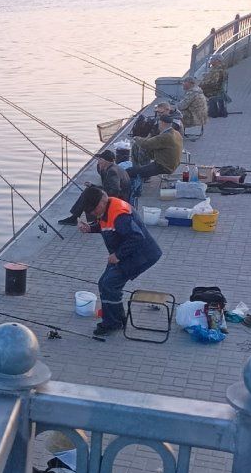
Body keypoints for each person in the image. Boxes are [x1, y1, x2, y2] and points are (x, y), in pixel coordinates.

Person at [78, 186, 162, 339]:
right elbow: (108, 226)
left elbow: (136, 237)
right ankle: (117, 318)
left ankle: (112, 323)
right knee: (105, 283)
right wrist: (90, 228)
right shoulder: (106, 209)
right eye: (90, 211)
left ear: (102, 201)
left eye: (93, 209)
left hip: (140, 255)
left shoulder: (119, 214)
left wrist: (118, 255)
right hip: (127, 254)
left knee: (110, 284)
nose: (92, 213)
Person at [59, 150, 131, 224]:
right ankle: (77, 217)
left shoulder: (112, 172)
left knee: (89, 193)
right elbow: (109, 188)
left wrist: (98, 192)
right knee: (89, 190)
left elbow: (114, 191)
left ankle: (79, 218)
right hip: (121, 196)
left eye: (100, 160)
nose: (98, 162)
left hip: (120, 199)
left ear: (107, 161)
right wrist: (93, 186)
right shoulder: (113, 168)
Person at [129, 113, 183, 201]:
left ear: (162, 123)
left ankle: (135, 186)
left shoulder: (165, 136)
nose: (158, 124)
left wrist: (136, 138)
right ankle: (140, 169)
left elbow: (146, 144)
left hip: (163, 166)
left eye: (159, 122)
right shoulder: (175, 133)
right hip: (171, 162)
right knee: (137, 147)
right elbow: (153, 142)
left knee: (130, 172)